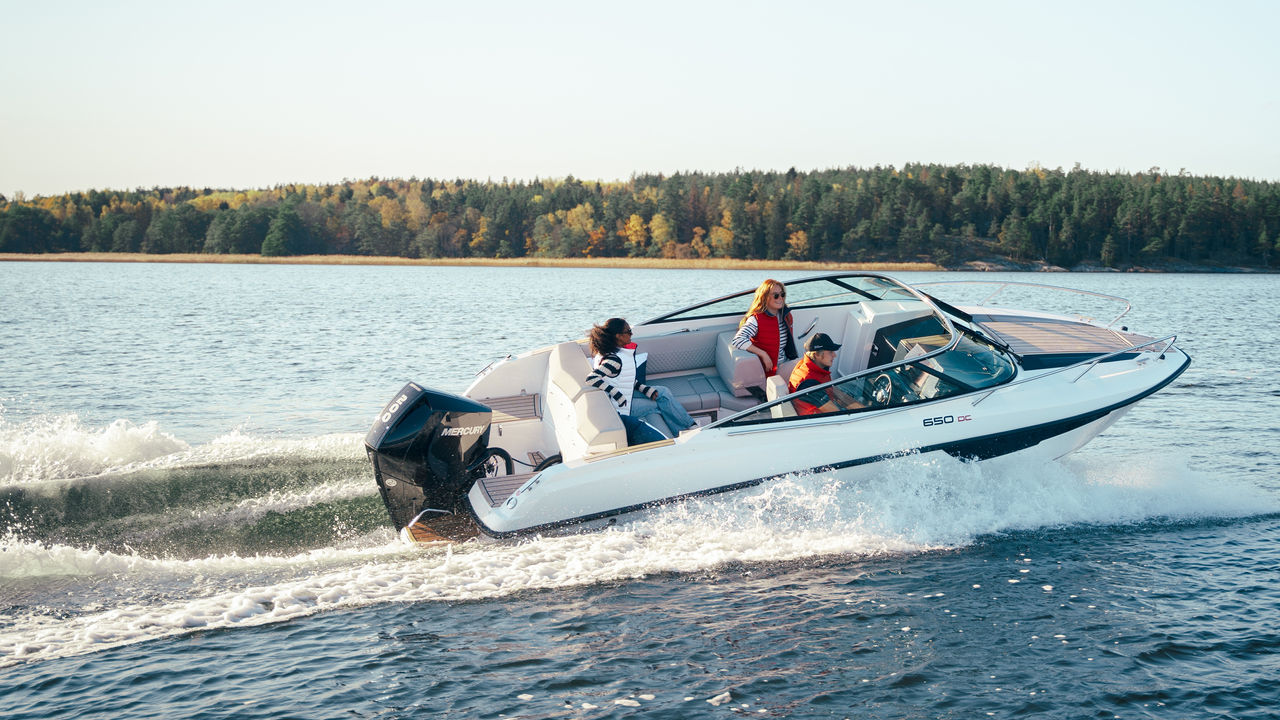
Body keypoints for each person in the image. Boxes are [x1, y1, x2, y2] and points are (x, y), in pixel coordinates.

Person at [585, 317, 697, 443]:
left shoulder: (607, 352)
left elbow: (622, 379)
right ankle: (688, 431)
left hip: (625, 397)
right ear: (618, 336)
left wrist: (645, 389)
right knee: (660, 404)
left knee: (663, 392)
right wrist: (616, 394)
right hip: (620, 407)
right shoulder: (613, 360)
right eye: (628, 331)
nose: (631, 334)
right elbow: (591, 378)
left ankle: (689, 427)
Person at [731, 278, 797, 377]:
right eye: (776, 295)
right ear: (765, 297)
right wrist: (763, 354)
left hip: (784, 363)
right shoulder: (756, 319)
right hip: (770, 370)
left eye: (782, 294)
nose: (780, 298)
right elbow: (738, 340)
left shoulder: (786, 316)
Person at [787, 333, 863, 416]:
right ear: (816, 355)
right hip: (816, 424)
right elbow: (837, 414)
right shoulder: (809, 383)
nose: (834, 355)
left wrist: (864, 409)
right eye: (830, 352)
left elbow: (836, 393)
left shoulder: (807, 366)